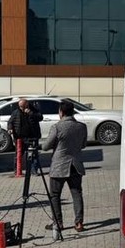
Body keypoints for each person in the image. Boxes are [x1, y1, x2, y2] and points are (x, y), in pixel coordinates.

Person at [45, 100, 88, 233]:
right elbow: (83, 144)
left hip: (59, 166)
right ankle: (79, 222)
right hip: (76, 164)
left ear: (61, 112)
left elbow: (46, 146)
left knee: (55, 195)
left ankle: (58, 223)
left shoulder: (57, 127)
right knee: (77, 194)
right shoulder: (82, 126)